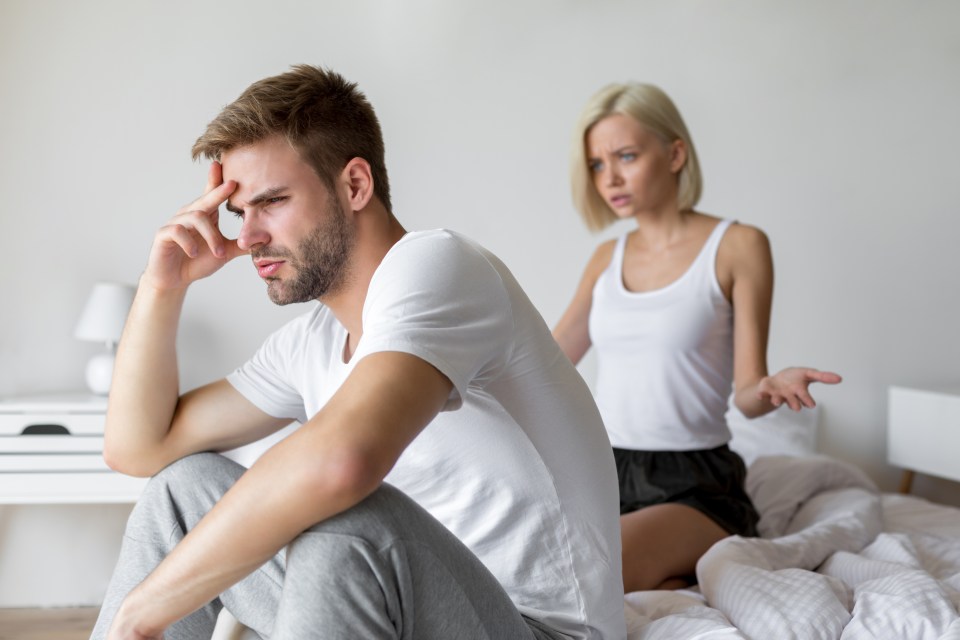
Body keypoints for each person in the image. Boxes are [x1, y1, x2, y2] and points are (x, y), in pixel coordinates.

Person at [92, 65, 626, 640]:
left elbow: (343, 460)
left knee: (346, 522)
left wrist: (144, 608)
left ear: (354, 186)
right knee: (183, 488)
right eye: (238, 212)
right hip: (402, 610)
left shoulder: (440, 266)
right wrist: (162, 287)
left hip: (535, 630)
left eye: (271, 202)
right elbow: (138, 449)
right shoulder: (311, 342)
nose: (247, 238)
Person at [552, 82, 842, 594]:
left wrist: (772, 386)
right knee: (534, 558)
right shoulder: (605, 260)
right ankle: (675, 576)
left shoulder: (738, 246)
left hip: (692, 483)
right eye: (597, 164)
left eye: (626, 156)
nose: (610, 177)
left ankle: (677, 565)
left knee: (591, 569)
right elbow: (545, 365)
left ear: (675, 153)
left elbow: (748, 397)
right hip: (604, 471)